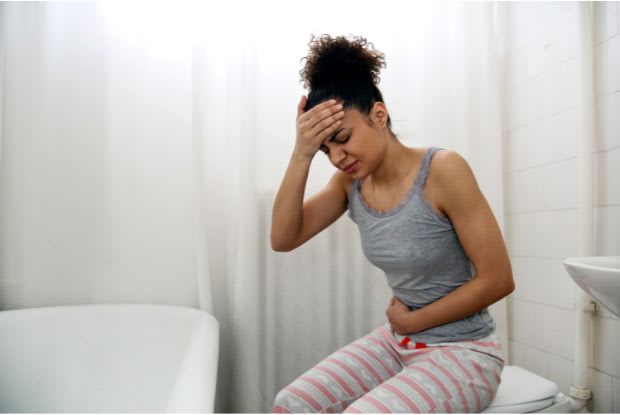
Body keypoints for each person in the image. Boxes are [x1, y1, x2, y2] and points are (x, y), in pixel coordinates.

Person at [270, 34, 514, 414]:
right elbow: (283, 238)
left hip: (464, 351)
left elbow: (498, 279)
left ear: (379, 116)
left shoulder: (442, 170)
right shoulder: (350, 183)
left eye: (342, 138)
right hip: (398, 341)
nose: (336, 157)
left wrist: (413, 320)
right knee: (292, 403)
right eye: (325, 149)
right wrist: (301, 154)